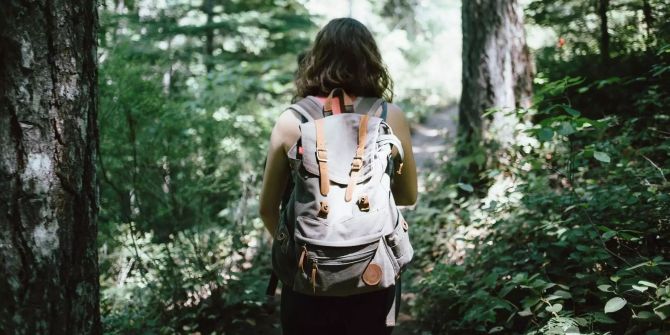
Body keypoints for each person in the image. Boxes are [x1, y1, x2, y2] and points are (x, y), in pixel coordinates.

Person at [258, 17, 418, 335]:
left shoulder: (292, 120)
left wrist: (297, 251)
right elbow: (407, 197)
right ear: (370, 61)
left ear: (317, 59)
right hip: (373, 273)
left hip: (307, 277)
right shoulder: (390, 116)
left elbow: (267, 208)